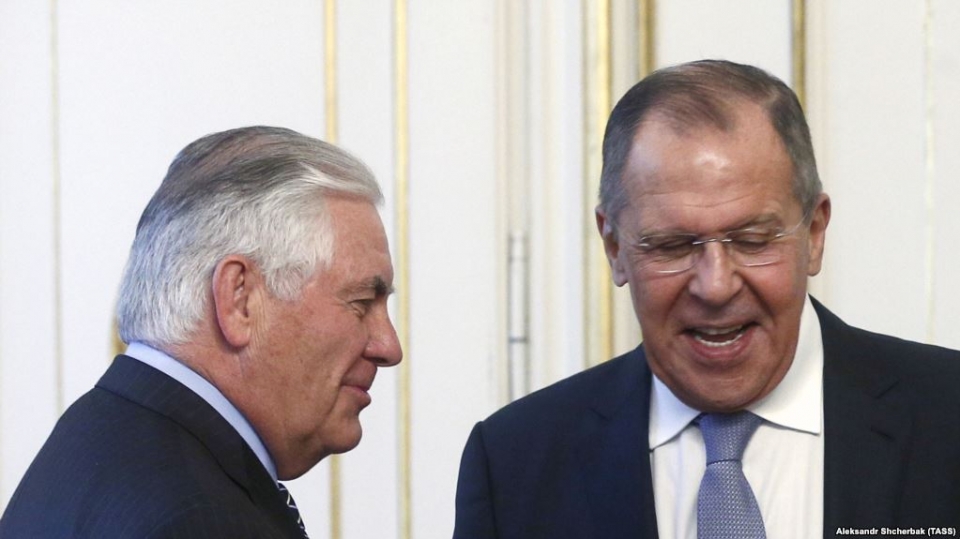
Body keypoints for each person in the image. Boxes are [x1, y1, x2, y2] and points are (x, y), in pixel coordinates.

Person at [453, 60, 960, 538]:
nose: (715, 286)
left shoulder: (947, 416)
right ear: (614, 247)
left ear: (814, 233)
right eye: (671, 246)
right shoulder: (515, 465)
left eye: (753, 240)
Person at [0, 126, 402, 538]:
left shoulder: (96, 437)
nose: (389, 347)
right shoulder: (202, 519)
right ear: (240, 299)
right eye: (361, 302)